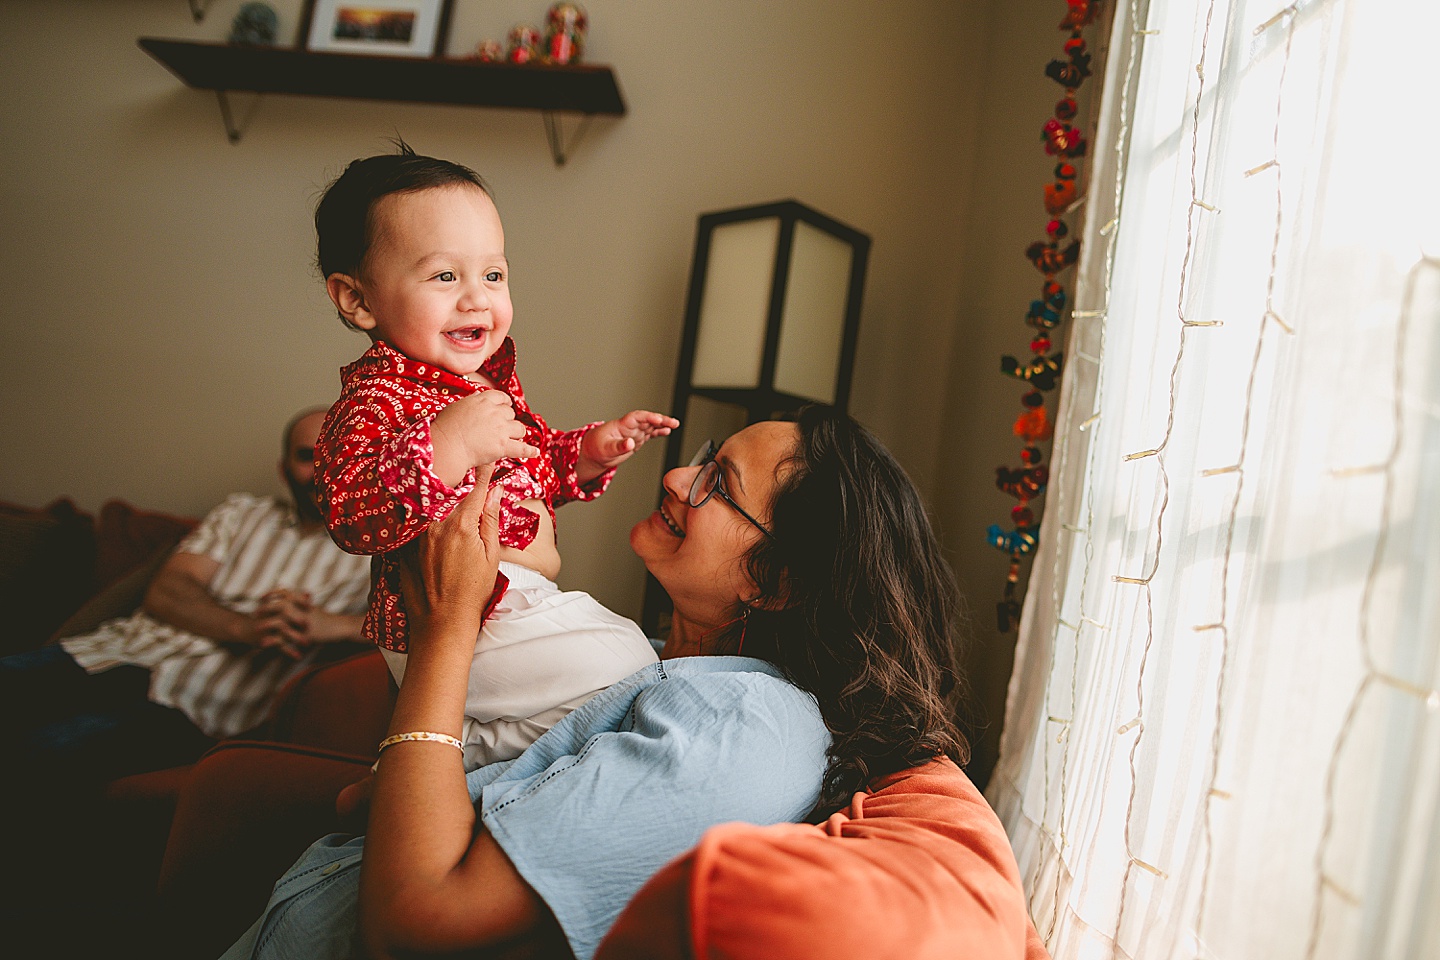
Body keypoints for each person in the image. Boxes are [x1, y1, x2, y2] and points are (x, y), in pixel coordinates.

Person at [221, 405, 970, 960]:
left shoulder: (742, 723)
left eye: (717, 482)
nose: (677, 476)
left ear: (775, 582)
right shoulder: (647, 662)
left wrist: (444, 633)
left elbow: (420, 925)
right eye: (704, 455)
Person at [312, 143, 671, 767]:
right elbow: (351, 511)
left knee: (603, 686)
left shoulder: (489, 384)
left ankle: (449, 763)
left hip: (519, 605)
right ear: (357, 299)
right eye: (444, 276)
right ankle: (435, 761)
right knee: (630, 660)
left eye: (494, 274)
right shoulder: (376, 399)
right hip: (452, 623)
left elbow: (530, 465)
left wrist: (587, 451)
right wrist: (444, 443)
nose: (476, 298)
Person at [0, 407, 373, 956]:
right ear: (282, 466)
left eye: (333, 452)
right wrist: (246, 626)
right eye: (303, 455)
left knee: (38, 752)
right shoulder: (242, 513)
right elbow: (168, 593)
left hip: (189, 707)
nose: (319, 467)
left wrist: (334, 626)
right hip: (108, 655)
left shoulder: (378, 548)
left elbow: (426, 623)